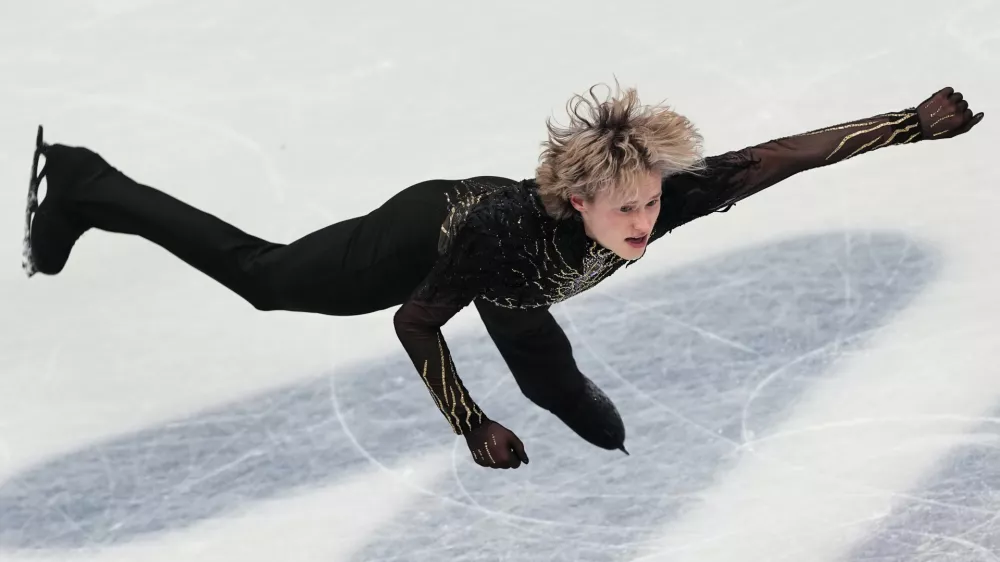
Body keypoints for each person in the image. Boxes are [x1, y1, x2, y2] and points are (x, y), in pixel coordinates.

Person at [21, 84, 984, 470]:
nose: (645, 227)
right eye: (627, 213)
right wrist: (469, 424)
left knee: (566, 393)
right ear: (578, 203)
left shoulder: (660, 197)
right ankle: (89, 184)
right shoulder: (500, 239)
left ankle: (588, 427)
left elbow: (789, 153)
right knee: (268, 278)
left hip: (530, 286)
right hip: (429, 236)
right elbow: (414, 321)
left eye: (651, 205)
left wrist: (909, 123)